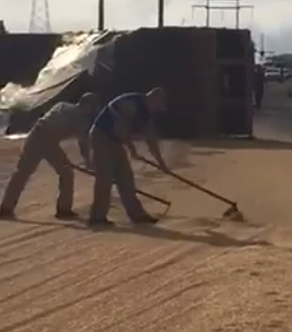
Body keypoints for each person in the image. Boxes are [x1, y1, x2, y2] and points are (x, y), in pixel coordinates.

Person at [0, 92, 99, 220]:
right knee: (66, 173)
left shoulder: (62, 105)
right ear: (87, 105)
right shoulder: (81, 119)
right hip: (47, 138)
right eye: (93, 106)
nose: (94, 110)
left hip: (35, 134)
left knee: (22, 173)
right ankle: (64, 209)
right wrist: (88, 161)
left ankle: (6, 208)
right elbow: (83, 142)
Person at [87, 88, 169, 227]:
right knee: (105, 178)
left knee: (125, 177)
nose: (157, 110)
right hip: (101, 136)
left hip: (115, 141)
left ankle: (138, 215)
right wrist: (132, 149)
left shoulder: (147, 114)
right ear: (152, 99)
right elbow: (120, 128)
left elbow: (151, 138)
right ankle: (97, 217)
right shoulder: (131, 103)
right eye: (158, 106)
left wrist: (161, 162)